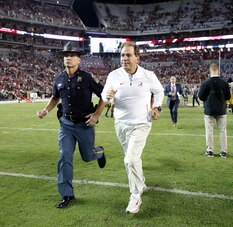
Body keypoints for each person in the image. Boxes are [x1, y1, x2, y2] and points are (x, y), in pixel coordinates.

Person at [37, 42, 107, 208]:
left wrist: (96, 115)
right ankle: (67, 194)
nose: (68, 58)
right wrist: (45, 111)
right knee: (65, 156)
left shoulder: (87, 77)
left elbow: (104, 95)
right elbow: (55, 97)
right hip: (66, 125)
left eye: (72, 55)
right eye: (66, 55)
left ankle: (99, 152)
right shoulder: (59, 78)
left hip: (84, 124)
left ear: (78, 59)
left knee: (87, 156)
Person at [101, 41, 164, 214]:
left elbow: (159, 91)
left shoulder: (148, 75)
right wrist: (107, 96)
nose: (124, 58)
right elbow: (104, 96)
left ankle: (135, 196)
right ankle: (141, 182)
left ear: (137, 57)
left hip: (141, 123)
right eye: (122, 55)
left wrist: (155, 107)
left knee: (129, 159)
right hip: (120, 123)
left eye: (128, 55)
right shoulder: (113, 75)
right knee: (132, 158)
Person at [198, 63, 231, 158]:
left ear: (210, 71)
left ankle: (210, 151)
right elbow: (228, 96)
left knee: (209, 130)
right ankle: (223, 151)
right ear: (218, 70)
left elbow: (201, 96)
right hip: (221, 109)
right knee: (223, 131)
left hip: (209, 110)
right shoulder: (224, 83)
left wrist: (207, 100)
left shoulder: (205, 83)